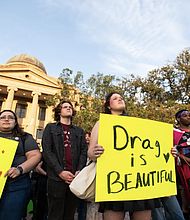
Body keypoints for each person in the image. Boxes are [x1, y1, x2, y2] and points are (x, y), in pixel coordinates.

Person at [88, 92, 161, 220]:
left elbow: (150, 150)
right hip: (114, 182)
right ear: (108, 106)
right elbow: (90, 152)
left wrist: (167, 152)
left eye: (121, 97)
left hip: (138, 182)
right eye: (114, 98)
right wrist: (95, 153)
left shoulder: (136, 124)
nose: (119, 99)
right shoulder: (101, 124)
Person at [42, 101, 88, 220]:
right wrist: (60, 172)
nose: (68, 108)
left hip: (74, 178)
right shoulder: (50, 128)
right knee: (55, 214)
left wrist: (79, 170)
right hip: (56, 178)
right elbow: (47, 151)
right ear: (59, 111)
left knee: (70, 214)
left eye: (70, 107)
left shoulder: (79, 131)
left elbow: (84, 152)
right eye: (65, 107)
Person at [0, 109, 41, 220]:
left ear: (15, 122)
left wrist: (19, 169)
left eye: (10, 117)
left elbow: (35, 156)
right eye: (3, 117)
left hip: (15, 186)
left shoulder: (25, 137)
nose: (6, 119)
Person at [173, 109, 190, 220]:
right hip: (183, 170)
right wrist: (182, 158)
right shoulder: (174, 133)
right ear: (178, 119)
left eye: (189, 115)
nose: (188, 117)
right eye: (184, 115)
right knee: (185, 203)